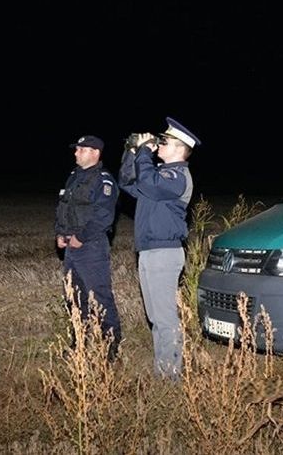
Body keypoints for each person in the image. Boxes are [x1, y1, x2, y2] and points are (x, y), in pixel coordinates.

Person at [119, 117, 201, 380]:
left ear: (180, 148)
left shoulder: (177, 176)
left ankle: (171, 378)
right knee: (156, 318)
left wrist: (144, 151)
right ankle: (163, 372)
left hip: (164, 254)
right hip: (150, 252)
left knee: (165, 319)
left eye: (164, 141)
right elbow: (128, 183)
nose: (159, 143)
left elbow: (150, 183)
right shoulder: (157, 176)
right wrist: (131, 152)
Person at [55, 134, 121, 360]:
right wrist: (60, 233)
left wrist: (80, 237)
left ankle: (110, 350)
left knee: (100, 297)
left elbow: (103, 217)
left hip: (91, 247)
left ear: (95, 153)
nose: (76, 153)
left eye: (81, 149)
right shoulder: (74, 177)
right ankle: (79, 346)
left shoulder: (104, 180)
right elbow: (65, 208)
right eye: (76, 149)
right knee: (74, 297)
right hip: (71, 248)